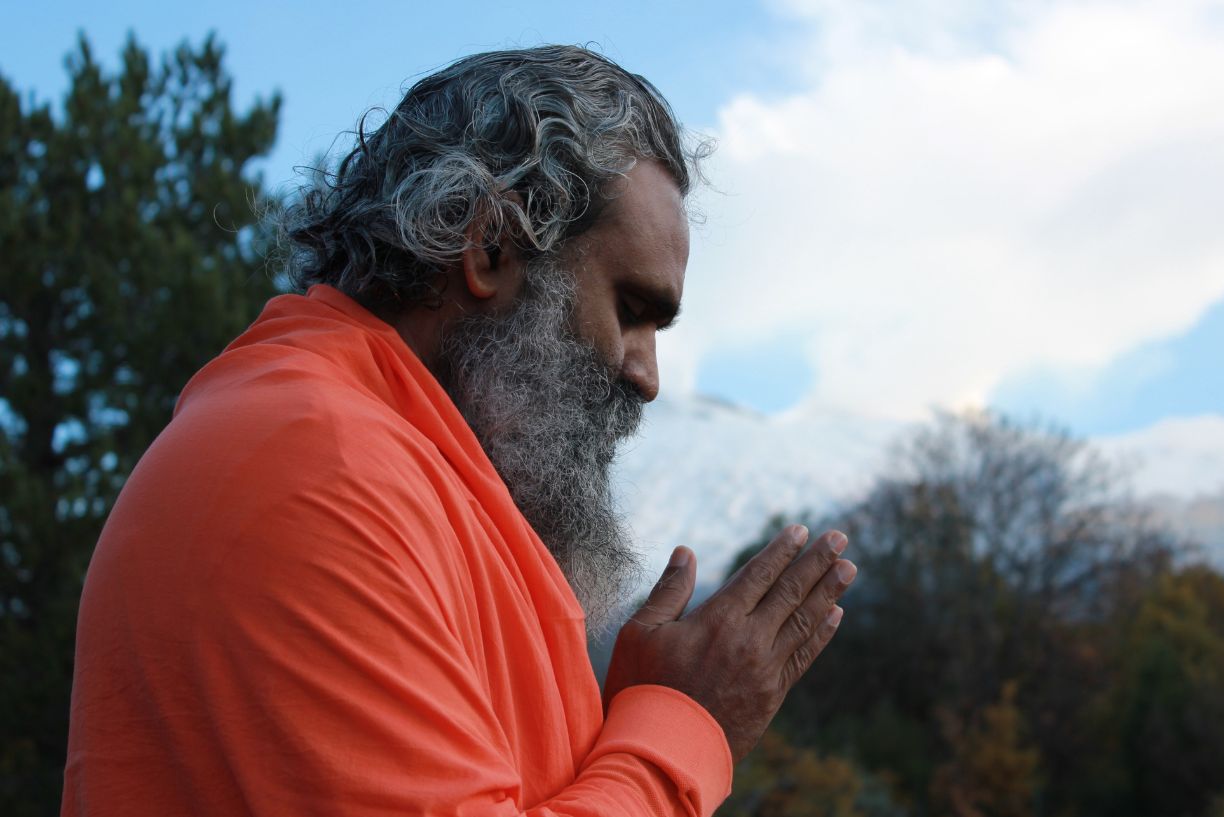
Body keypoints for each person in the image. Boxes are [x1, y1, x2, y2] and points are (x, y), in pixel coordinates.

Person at [62, 45, 857, 817]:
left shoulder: (397, 470)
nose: (646, 375)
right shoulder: (318, 467)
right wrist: (686, 728)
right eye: (631, 309)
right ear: (491, 247)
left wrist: (626, 721)